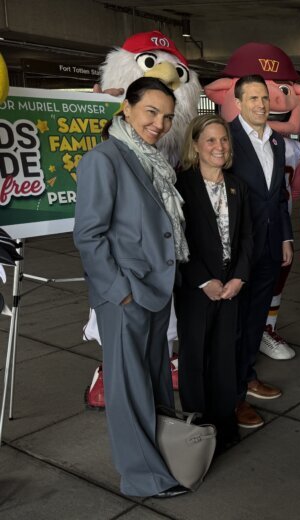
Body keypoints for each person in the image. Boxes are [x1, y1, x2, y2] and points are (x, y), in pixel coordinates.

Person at [73, 77, 189, 498]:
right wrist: (119, 290)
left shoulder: (151, 159)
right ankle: (143, 477)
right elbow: (89, 235)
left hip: (156, 288)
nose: (159, 123)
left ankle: (163, 457)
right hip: (126, 294)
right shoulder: (104, 159)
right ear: (127, 108)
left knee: (156, 379)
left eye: (168, 117)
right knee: (127, 388)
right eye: (151, 112)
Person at [174, 114, 252, 453]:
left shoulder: (237, 185)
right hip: (196, 289)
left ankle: (224, 425)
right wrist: (204, 280)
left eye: (223, 140)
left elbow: (248, 237)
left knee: (224, 357)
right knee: (194, 359)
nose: (219, 147)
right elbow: (178, 239)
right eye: (210, 140)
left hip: (231, 288)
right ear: (195, 145)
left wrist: (239, 277)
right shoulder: (181, 185)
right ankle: (197, 428)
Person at [228, 75, 291, 428]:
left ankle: (248, 375)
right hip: (239, 248)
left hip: (269, 247)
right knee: (235, 324)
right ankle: (234, 396)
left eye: (264, 98)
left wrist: (285, 238)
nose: (260, 104)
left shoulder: (277, 142)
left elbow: (278, 196)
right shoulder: (227, 139)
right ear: (237, 103)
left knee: (255, 320)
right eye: (252, 98)